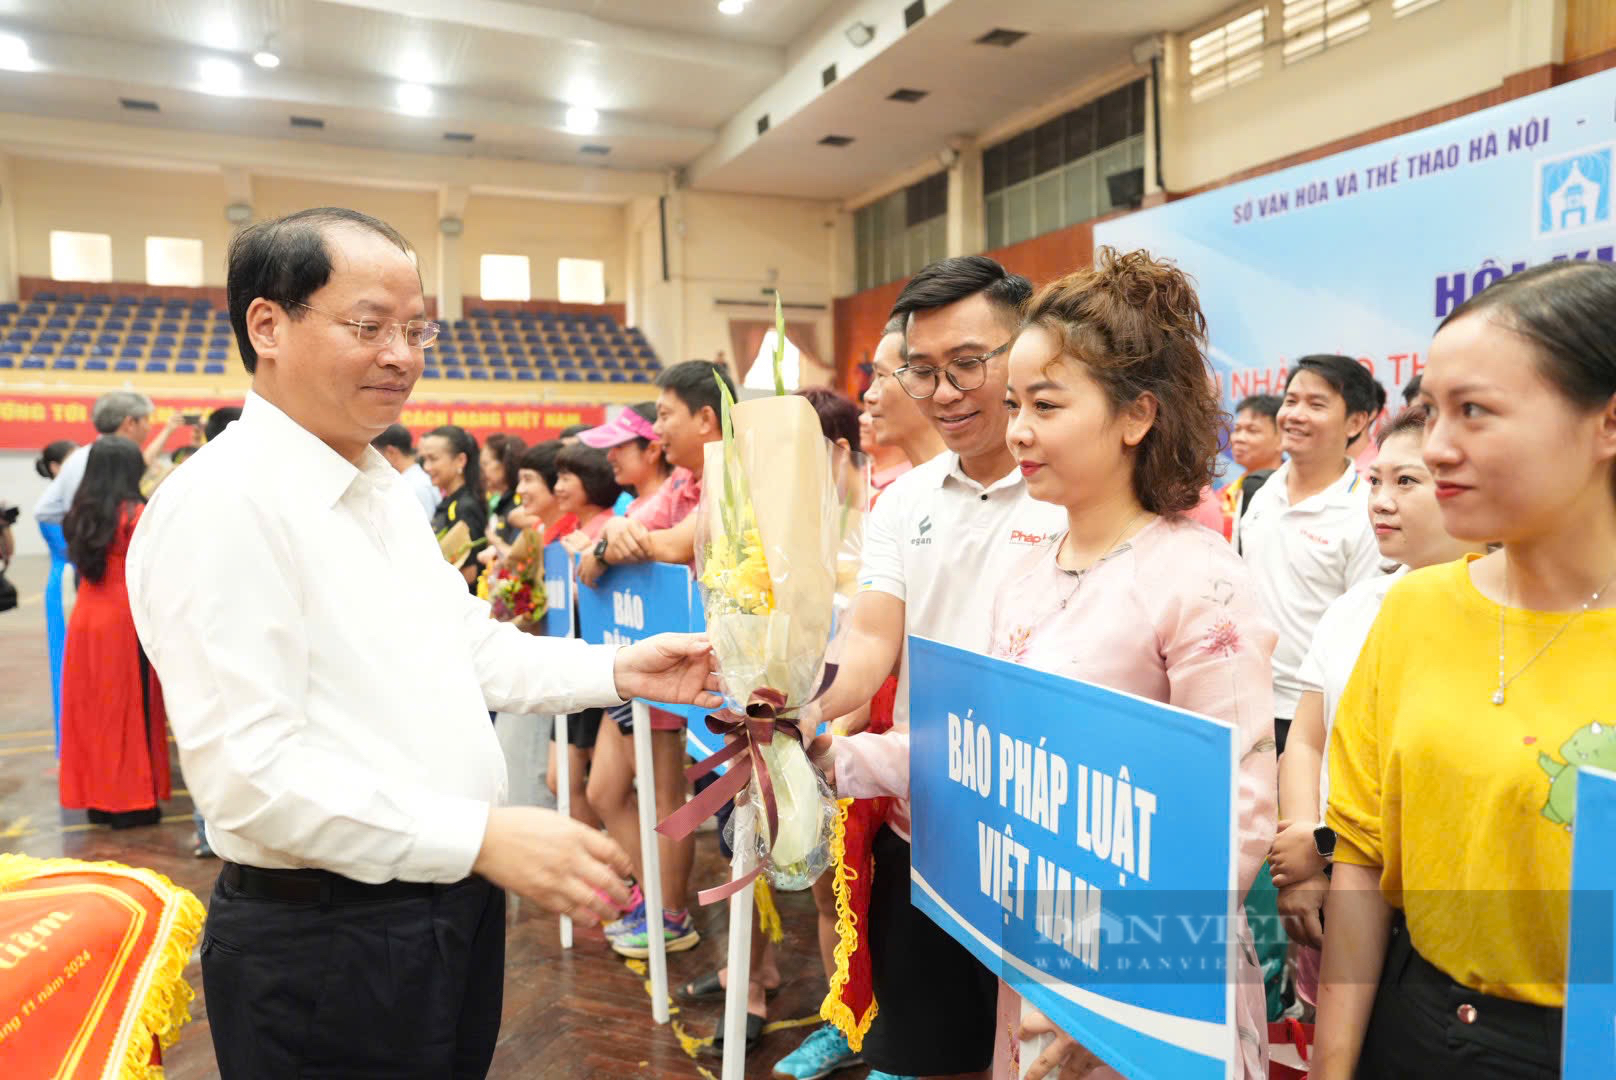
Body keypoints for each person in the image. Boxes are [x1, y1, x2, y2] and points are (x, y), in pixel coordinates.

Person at [127, 206, 721, 1079]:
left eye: (416, 330)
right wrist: (477, 837)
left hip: (439, 912)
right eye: (369, 327)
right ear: (268, 326)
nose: (402, 355)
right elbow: (251, 781)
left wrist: (618, 667)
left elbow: (469, 649)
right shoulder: (226, 506)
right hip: (332, 941)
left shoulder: (375, 488)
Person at [972, 247, 1277, 1079]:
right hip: (1039, 936)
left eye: (1045, 403)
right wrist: (826, 753)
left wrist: (1117, 991)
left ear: (1137, 416)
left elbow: (1238, 815)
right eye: (1013, 405)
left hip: (1152, 970)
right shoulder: (1027, 567)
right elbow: (987, 755)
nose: (1018, 431)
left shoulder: (1201, 581)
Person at [1313, 260, 1616, 1078]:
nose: (1437, 448)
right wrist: (1334, 1066)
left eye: (1475, 412)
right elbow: (1363, 858)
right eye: (1430, 411)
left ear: (1607, 425)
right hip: (1413, 1027)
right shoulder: (1414, 610)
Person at [803, 255, 1067, 1080]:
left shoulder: (1072, 491)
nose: (945, 392)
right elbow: (873, 643)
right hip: (932, 827)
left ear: (1027, 354)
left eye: (967, 365)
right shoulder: (905, 502)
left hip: (1052, 842)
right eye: (921, 370)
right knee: (927, 1056)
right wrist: (802, 714)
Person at [1270, 406, 1484, 1006]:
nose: (1381, 501)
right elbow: (1307, 738)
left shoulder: (1494, 624)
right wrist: (1302, 850)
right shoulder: (1356, 606)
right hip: (1328, 894)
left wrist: (1325, 844)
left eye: (1407, 481)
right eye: (1374, 481)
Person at [1236, 356, 1385, 754]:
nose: (1295, 415)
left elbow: (1364, 631)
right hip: (1244, 700)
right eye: (1291, 401)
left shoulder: (1366, 510)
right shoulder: (1259, 491)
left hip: (1312, 716)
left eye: (1316, 405)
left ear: (1356, 423)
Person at [34, 392, 167, 742]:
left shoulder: (88, 473)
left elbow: (50, 511)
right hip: (112, 596)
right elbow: (45, 510)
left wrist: (81, 547)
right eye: (146, 423)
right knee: (115, 692)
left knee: (94, 690)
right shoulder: (128, 507)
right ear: (130, 423)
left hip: (93, 591)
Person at [59, 436, 170, 828]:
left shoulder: (79, 511)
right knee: (129, 709)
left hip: (87, 616)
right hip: (124, 619)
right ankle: (133, 802)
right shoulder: (136, 513)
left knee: (92, 711)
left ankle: (99, 800)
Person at [590, 361, 736, 581]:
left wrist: (601, 554)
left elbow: (675, 546)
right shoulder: (681, 478)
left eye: (665, 416)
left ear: (705, 419)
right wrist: (614, 526)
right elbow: (634, 526)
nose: (656, 429)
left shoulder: (736, 472)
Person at [422, 424, 487, 588]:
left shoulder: (465, 507)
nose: (426, 467)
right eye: (425, 459)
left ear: (460, 460)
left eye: (433, 459)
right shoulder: (449, 502)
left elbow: (470, 572)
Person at [1222, 393, 1284, 536]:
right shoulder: (1225, 494)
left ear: (1282, 439)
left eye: (1252, 430)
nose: (1239, 438)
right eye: (1237, 430)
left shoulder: (1290, 494)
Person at [514, 439, 577, 544]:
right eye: (520, 480)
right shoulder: (538, 528)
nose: (519, 490)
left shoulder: (572, 537)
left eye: (528, 479)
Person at [371, 422, 440, 518]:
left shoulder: (415, 487)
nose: (372, 460)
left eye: (375, 454)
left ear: (391, 452)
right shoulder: (411, 480)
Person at [481, 433, 530, 552]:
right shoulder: (499, 501)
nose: (482, 470)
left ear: (505, 464)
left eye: (485, 464)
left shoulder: (521, 503)